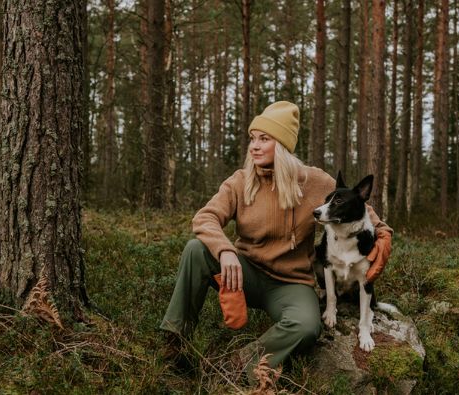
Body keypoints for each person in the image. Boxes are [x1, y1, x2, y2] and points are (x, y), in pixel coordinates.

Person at [160, 101, 392, 378]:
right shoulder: (239, 181)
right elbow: (205, 218)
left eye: (264, 139)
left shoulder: (315, 181)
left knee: (307, 326)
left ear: (282, 145)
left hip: (291, 284)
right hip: (245, 274)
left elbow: (359, 208)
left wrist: (384, 234)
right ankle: (175, 346)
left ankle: (235, 366)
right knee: (196, 250)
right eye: (253, 139)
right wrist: (225, 251)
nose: (254, 146)